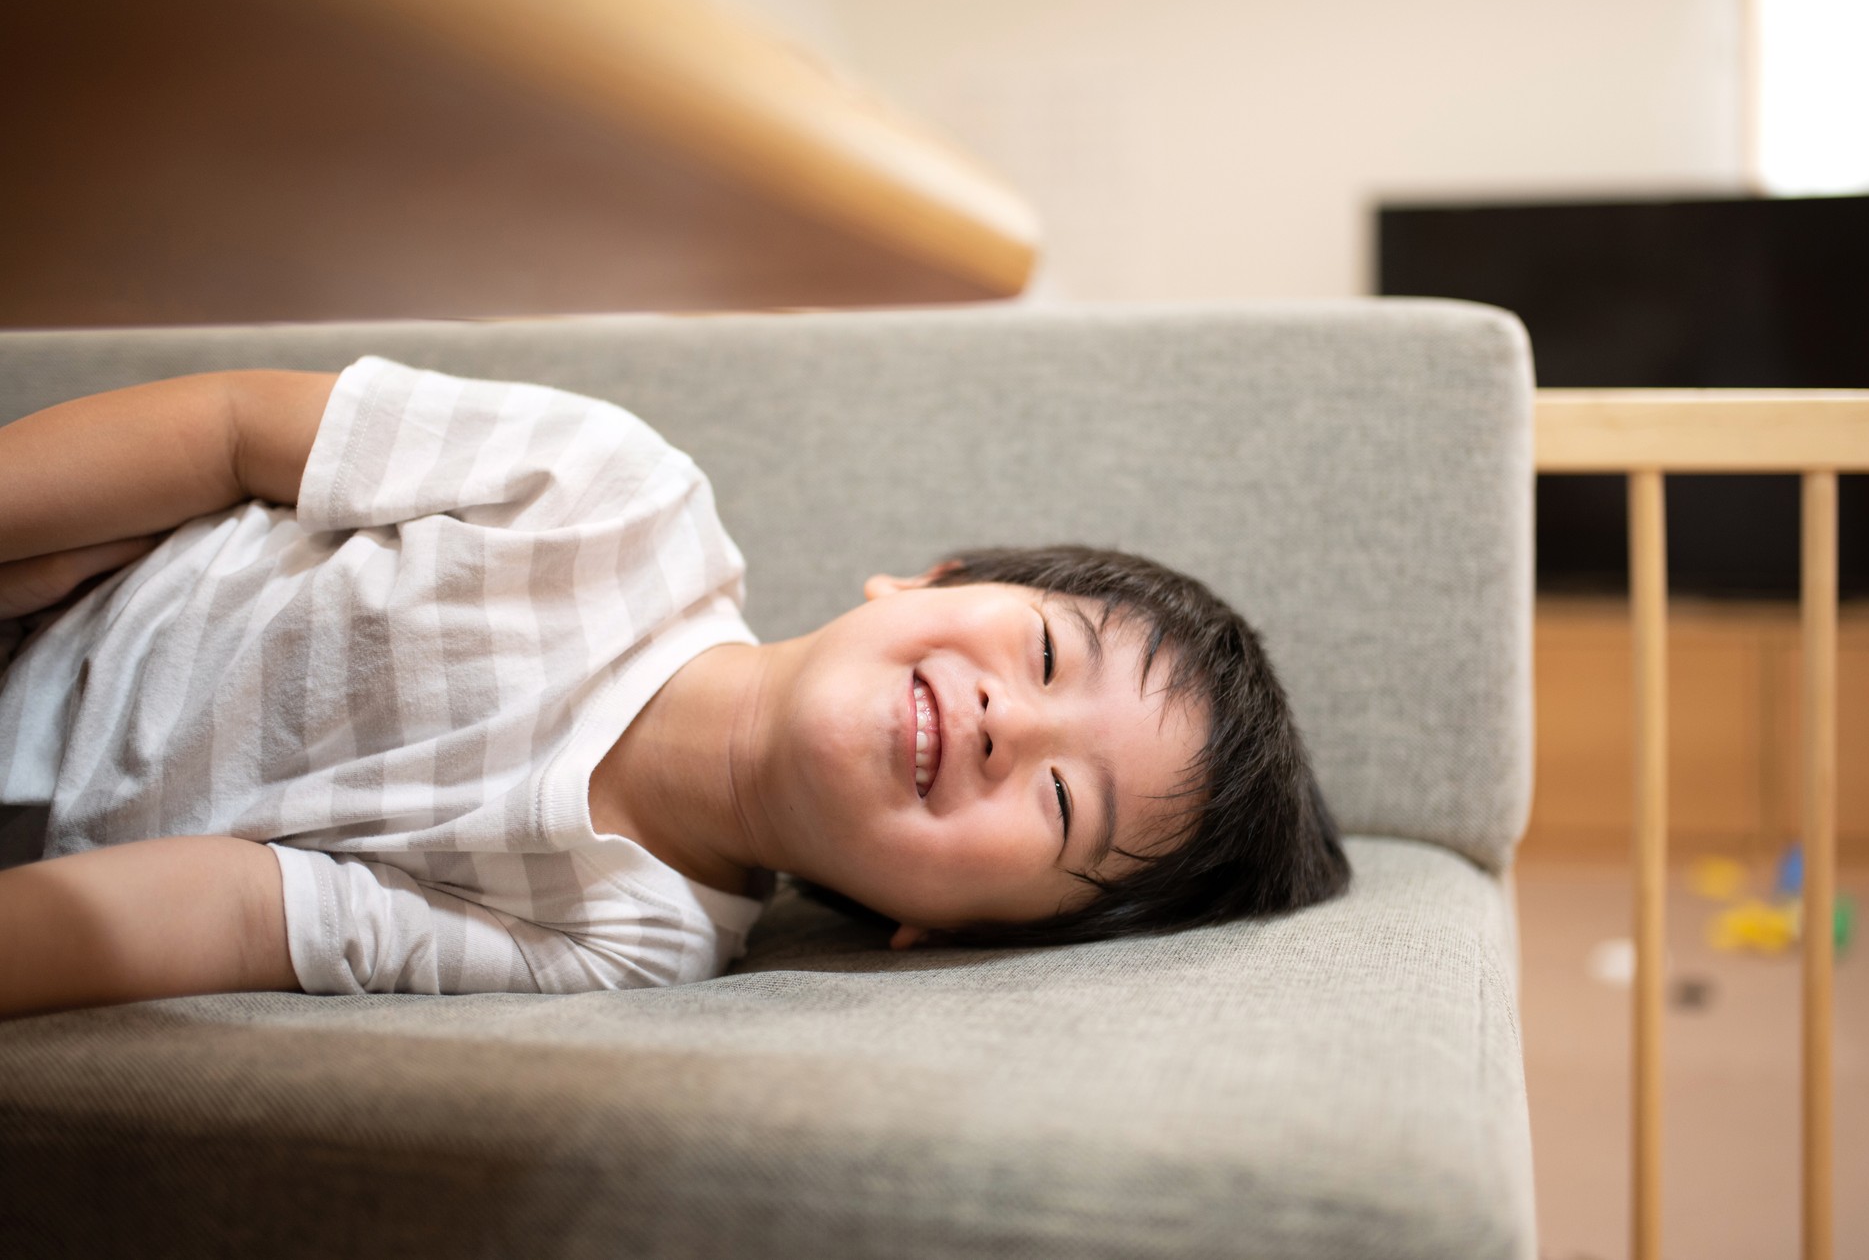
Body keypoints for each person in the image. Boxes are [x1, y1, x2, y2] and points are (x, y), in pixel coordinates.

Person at [0, 357, 1347, 1017]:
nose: (1011, 720)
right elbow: (236, 432)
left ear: (942, 935)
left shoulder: (635, 940)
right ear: (920, 582)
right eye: (1049, 653)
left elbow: (252, 910)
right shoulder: (614, 495)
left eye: (1061, 803)